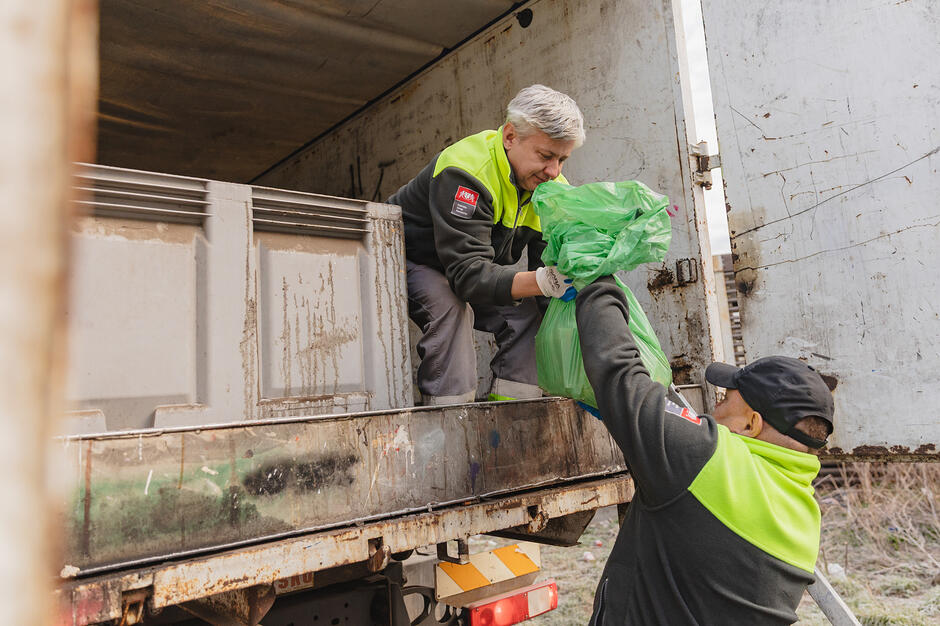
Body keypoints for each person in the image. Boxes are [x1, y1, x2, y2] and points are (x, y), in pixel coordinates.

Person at [574, 276, 835, 625]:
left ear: (751, 425)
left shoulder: (707, 460)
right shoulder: (803, 516)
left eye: (727, 399)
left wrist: (595, 277)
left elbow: (619, 375)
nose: (715, 406)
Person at [389, 84, 585, 405]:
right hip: (410, 260)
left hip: (473, 267)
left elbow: (551, 284)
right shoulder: (466, 171)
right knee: (450, 308)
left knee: (531, 314)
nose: (554, 171)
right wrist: (542, 281)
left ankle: (511, 420)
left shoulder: (553, 190)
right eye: (546, 156)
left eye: (562, 159)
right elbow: (467, 277)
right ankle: (450, 424)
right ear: (510, 137)